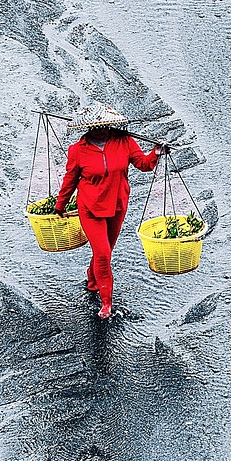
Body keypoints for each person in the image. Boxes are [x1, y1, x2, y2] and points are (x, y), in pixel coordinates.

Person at [54, 105, 168, 319]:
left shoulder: (124, 141)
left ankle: (92, 278)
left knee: (104, 251)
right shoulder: (78, 150)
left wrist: (156, 153)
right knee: (104, 254)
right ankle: (106, 302)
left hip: (117, 204)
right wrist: (60, 205)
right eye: (96, 127)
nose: (102, 130)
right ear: (88, 129)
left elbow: (143, 164)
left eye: (104, 126)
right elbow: (70, 180)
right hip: (90, 208)